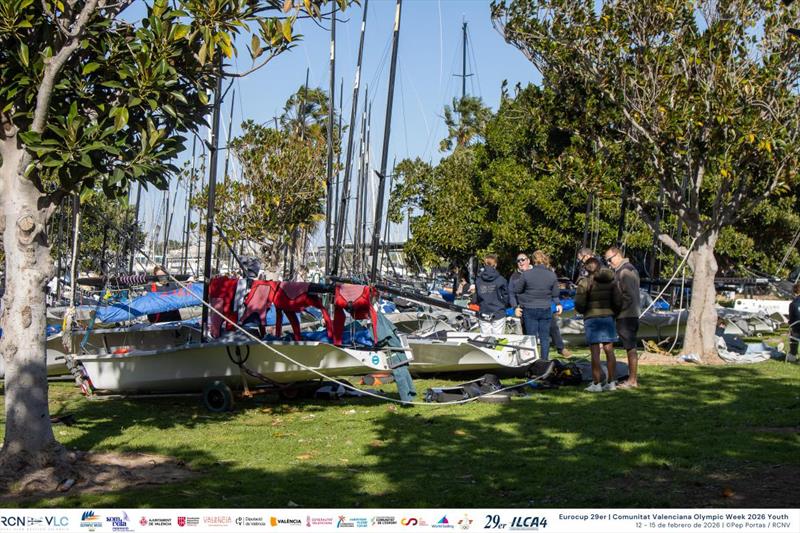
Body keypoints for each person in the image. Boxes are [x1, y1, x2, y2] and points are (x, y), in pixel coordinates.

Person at [574, 257, 619, 392]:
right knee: (609, 350)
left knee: (595, 352)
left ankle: (596, 383)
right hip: (608, 317)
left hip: (592, 317)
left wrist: (583, 311)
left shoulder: (585, 282)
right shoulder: (611, 281)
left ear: (586, 268)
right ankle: (611, 382)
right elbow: (617, 300)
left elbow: (579, 303)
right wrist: (613, 312)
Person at [510, 250, 561, 360]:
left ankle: (532, 361)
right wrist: (558, 304)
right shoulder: (552, 275)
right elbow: (555, 294)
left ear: (532, 260)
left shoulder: (526, 274)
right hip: (545, 308)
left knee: (531, 338)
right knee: (544, 338)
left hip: (530, 308)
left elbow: (517, 290)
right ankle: (544, 361)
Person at [605, 246, 641, 388]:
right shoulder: (623, 270)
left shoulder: (625, 271)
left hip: (627, 315)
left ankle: (632, 380)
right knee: (629, 346)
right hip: (626, 314)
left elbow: (628, 296)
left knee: (630, 347)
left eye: (609, 259)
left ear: (617, 255)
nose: (608, 263)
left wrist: (615, 309)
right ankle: (627, 378)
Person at [472, 254, 509, 336]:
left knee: (485, 340)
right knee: (498, 339)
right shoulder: (501, 279)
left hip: (484, 310)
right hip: (498, 311)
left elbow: (477, 296)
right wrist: (504, 305)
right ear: (495, 265)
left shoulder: (478, 280)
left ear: (484, 264)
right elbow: (506, 296)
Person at [788, 282, 800, 363]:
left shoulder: (793, 304)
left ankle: (792, 354)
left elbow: (792, 320)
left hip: (797, 331)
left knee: (793, 332)